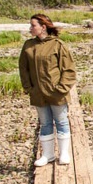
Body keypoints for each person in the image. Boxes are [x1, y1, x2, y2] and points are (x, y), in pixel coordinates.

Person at [18, 14, 77, 166]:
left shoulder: (58, 45)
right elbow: (23, 69)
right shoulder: (28, 45)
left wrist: (61, 89)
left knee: (62, 122)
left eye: (33, 25)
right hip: (38, 93)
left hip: (56, 93)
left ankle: (64, 154)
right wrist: (29, 88)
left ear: (43, 27)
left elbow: (69, 70)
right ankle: (48, 155)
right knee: (45, 124)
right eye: (30, 25)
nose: (30, 28)